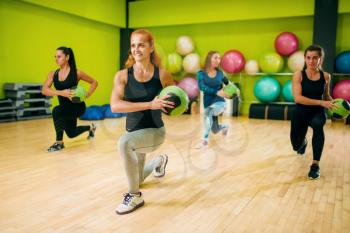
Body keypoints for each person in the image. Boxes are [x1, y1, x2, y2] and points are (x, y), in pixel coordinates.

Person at [110, 29, 174, 215]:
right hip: (134, 133)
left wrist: (170, 106)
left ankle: (134, 195)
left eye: (141, 45)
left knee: (124, 143)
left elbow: (175, 104)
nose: (136, 49)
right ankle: (158, 162)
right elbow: (115, 105)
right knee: (136, 177)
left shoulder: (162, 75)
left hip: (154, 132)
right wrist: (149, 104)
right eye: (133, 45)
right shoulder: (122, 75)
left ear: (151, 47)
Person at [290, 44, 336, 180]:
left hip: (317, 112)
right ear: (305, 59)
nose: (311, 61)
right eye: (308, 58)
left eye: (315, 58)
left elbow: (327, 96)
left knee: (318, 125)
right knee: (295, 145)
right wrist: (322, 102)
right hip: (300, 112)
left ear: (320, 59)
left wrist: (337, 106)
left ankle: (315, 165)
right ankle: (302, 143)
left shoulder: (326, 76)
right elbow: (298, 98)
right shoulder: (298, 75)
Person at [42, 47, 98, 152]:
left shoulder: (77, 73)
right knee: (71, 133)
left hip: (77, 107)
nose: (56, 59)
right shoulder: (53, 74)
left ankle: (59, 143)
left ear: (67, 57)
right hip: (65, 109)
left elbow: (94, 82)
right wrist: (61, 93)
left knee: (56, 111)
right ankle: (91, 127)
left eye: (59, 56)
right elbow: (44, 90)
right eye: (55, 57)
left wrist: (88, 94)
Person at [195, 51, 230, 149]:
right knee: (214, 130)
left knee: (208, 111)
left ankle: (204, 141)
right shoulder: (200, 73)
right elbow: (202, 87)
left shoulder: (220, 73)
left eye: (219, 58)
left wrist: (233, 93)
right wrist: (216, 92)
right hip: (208, 103)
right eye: (215, 57)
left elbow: (228, 84)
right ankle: (225, 126)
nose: (218, 60)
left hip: (220, 102)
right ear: (209, 58)